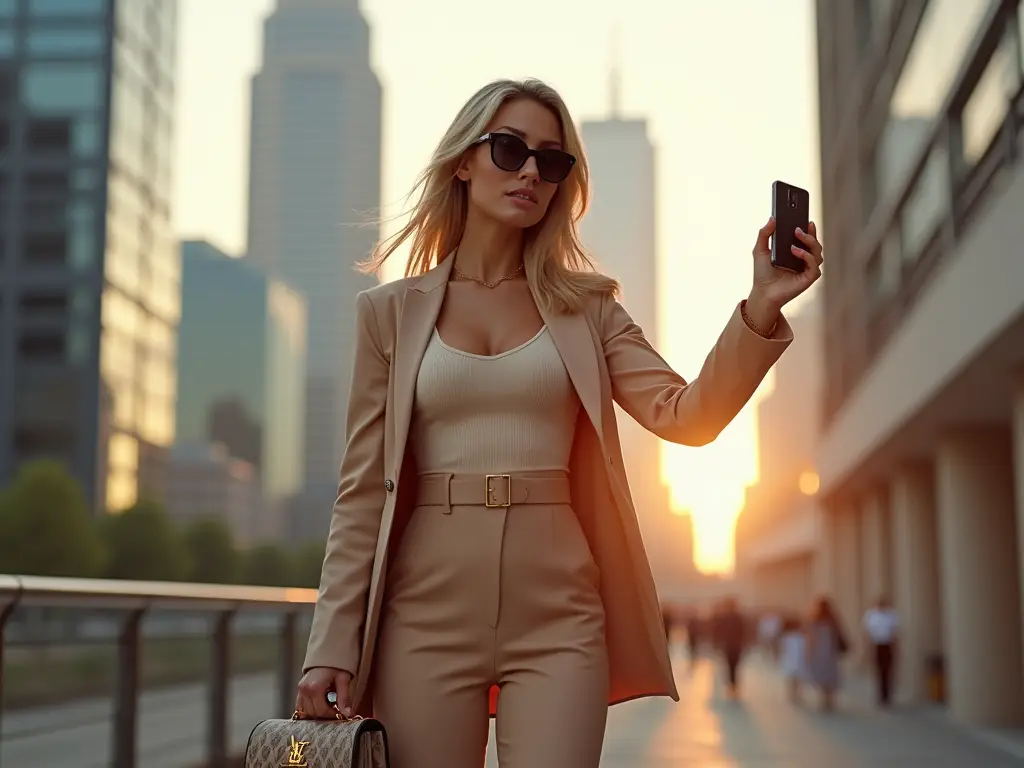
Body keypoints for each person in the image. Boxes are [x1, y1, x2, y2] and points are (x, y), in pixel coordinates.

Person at [293, 78, 823, 768]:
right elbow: (362, 492)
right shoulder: (388, 314)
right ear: (463, 160)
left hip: (560, 616)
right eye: (510, 150)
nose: (532, 173)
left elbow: (686, 417)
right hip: (422, 612)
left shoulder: (588, 307)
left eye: (554, 161)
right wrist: (330, 645)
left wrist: (761, 306)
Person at [806, 596, 848, 712]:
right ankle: (831, 701)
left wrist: (809, 654)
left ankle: (823, 701)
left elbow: (811, 639)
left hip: (819, 652)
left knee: (822, 677)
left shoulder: (814, 620)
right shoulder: (833, 620)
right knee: (831, 676)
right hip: (831, 652)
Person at [863, 595, 899, 707]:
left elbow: (895, 632)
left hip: (887, 645)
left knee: (888, 670)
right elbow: (866, 632)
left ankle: (887, 696)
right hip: (877, 645)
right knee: (878, 671)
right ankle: (880, 696)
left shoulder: (891, 615)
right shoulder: (871, 615)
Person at [712, 596, 749, 697]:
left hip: (732, 645)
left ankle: (733, 684)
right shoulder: (732, 617)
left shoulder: (733, 618)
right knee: (732, 666)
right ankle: (733, 684)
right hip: (732, 645)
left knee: (732, 666)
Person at [778, 615, 808, 704]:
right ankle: (796, 693)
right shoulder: (800, 636)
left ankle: (792, 693)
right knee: (798, 677)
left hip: (790, 659)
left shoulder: (787, 637)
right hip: (798, 659)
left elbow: (783, 648)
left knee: (791, 677)